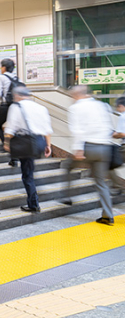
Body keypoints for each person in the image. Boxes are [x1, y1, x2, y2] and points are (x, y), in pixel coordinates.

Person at [62, 86, 115, 225]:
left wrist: (78, 149)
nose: (72, 98)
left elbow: (77, 130)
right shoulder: (101, 105)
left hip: (88, 147)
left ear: (77, 95)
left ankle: (67, 196)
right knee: (101, 182)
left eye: (72, 96)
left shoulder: (76, 108)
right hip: (105, 147)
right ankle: (108, 215)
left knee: (67, 166)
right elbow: (109, 127)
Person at [3, 87, 53, 213]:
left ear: (18, 95)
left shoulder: (16, 107)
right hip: (39, 142)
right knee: (30, 169)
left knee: (27, 174)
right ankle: (34, 197)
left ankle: (33, 204)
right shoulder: (41, 107)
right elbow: (47, 129)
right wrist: (48, 145)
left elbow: (11, 127)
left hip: (26, 143)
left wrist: (7, 142)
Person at [0, 58, 20, 167]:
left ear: (4, 68)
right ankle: (15, 156)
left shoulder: (1, 77)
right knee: (13, 129)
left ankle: (6, 145)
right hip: (16, 106)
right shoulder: (16, 78)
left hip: (6, 106)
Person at [111, 96, 125, 193]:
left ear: (121, 106)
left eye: (117, 107)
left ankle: (119, 186)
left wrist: (114, 135)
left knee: (109, 164)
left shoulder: (123, 116)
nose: (117, 110)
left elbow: (122, 134)